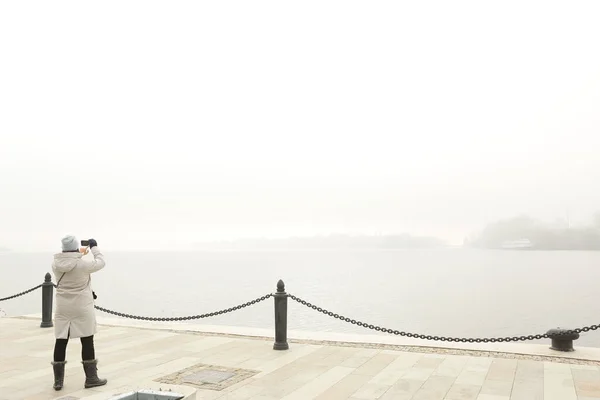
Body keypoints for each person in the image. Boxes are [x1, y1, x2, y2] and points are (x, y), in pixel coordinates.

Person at [51, 235, 107, 391]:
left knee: (61, 340)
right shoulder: (83, 265)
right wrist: (94, 247)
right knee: (87, 340)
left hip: (63, 307)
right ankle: (91, 379)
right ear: (76, 247)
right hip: (82, 306)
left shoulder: (55, 264)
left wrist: (78, 253)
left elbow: (69, 263)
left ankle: (58, 382)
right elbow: (101, 262)